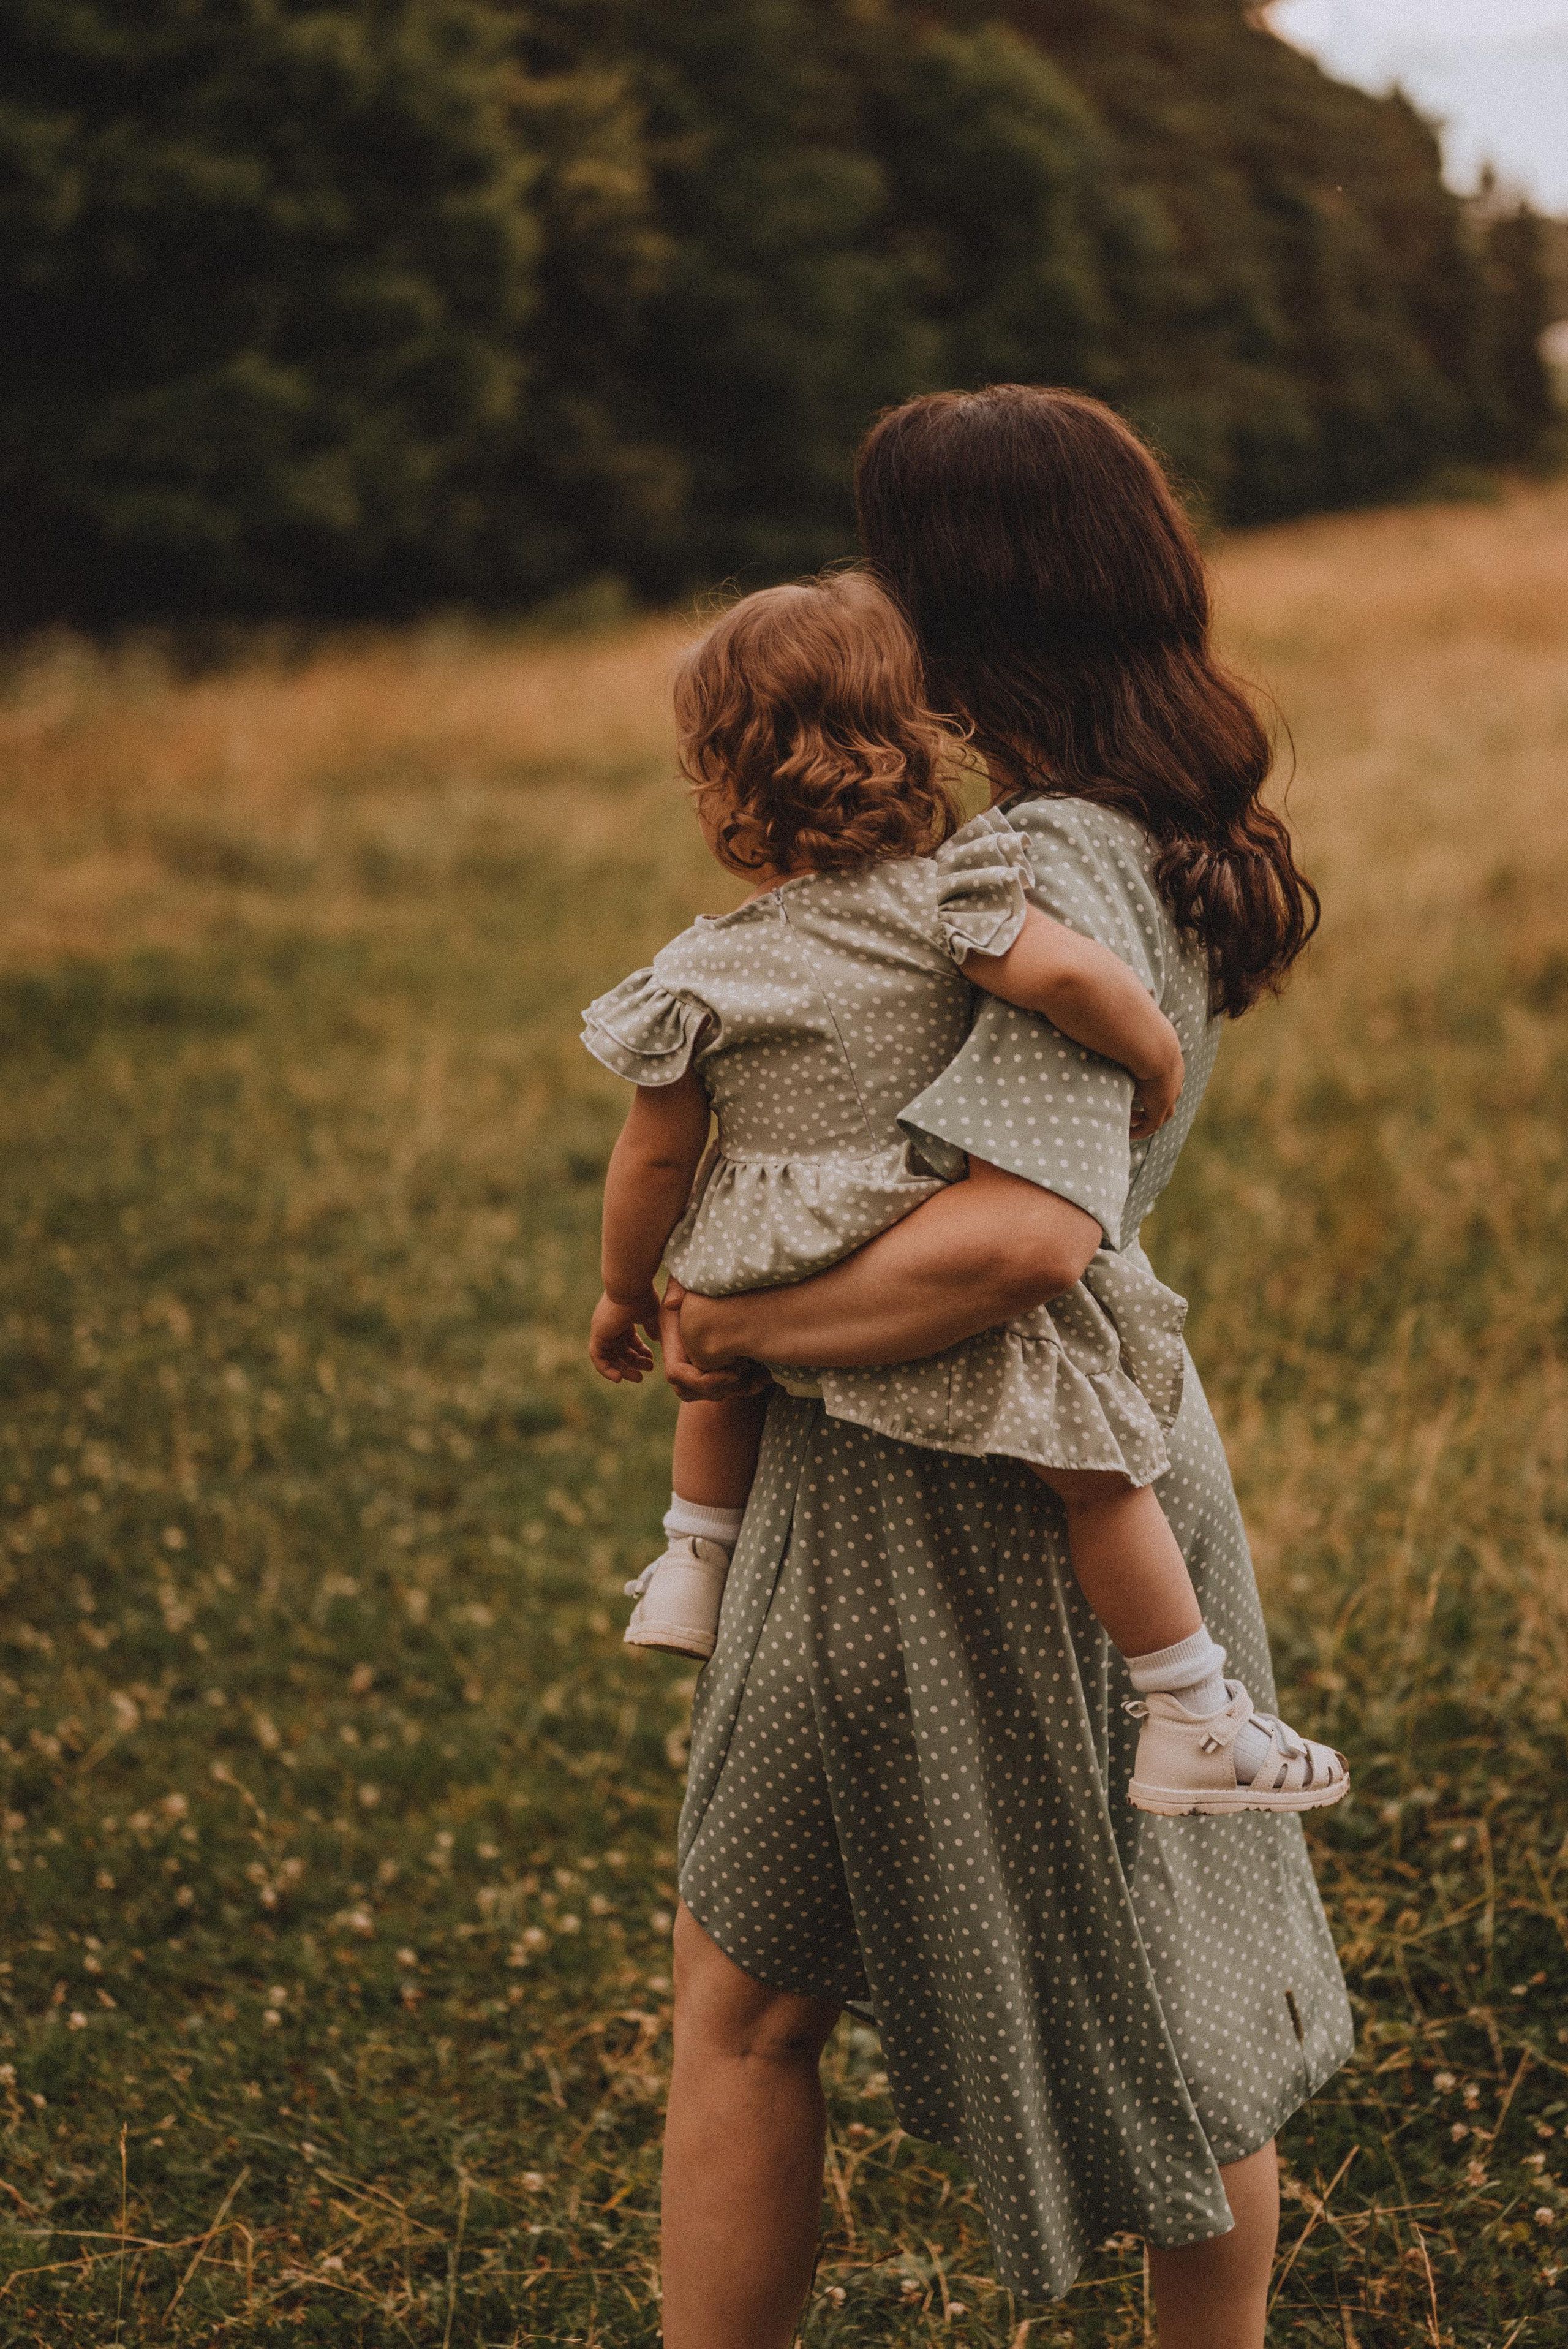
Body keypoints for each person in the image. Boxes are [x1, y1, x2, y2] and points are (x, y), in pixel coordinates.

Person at [651, 387, 1354, 2349]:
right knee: (765, 1985)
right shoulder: (1147, 833)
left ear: (967, 590)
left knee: (1144, 2015)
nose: (867, 589)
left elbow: (1026, 1235)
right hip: (995, 1478)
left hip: (995, 1496)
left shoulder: (1048, 858)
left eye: (891, 551)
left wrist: (736, 1321)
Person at [583, 570, 1344, 1818]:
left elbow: (652, 1159)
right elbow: (1075, 987)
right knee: (1095, 1479)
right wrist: (1151, 1050)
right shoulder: (964, 899)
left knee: (711, 1359)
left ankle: (691, 1556)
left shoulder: (699, 969)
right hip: (912, 1253)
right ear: (918, 736)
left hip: (761, 1251)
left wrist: (625, 1289)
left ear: (715, 778)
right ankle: (1191, 1712)